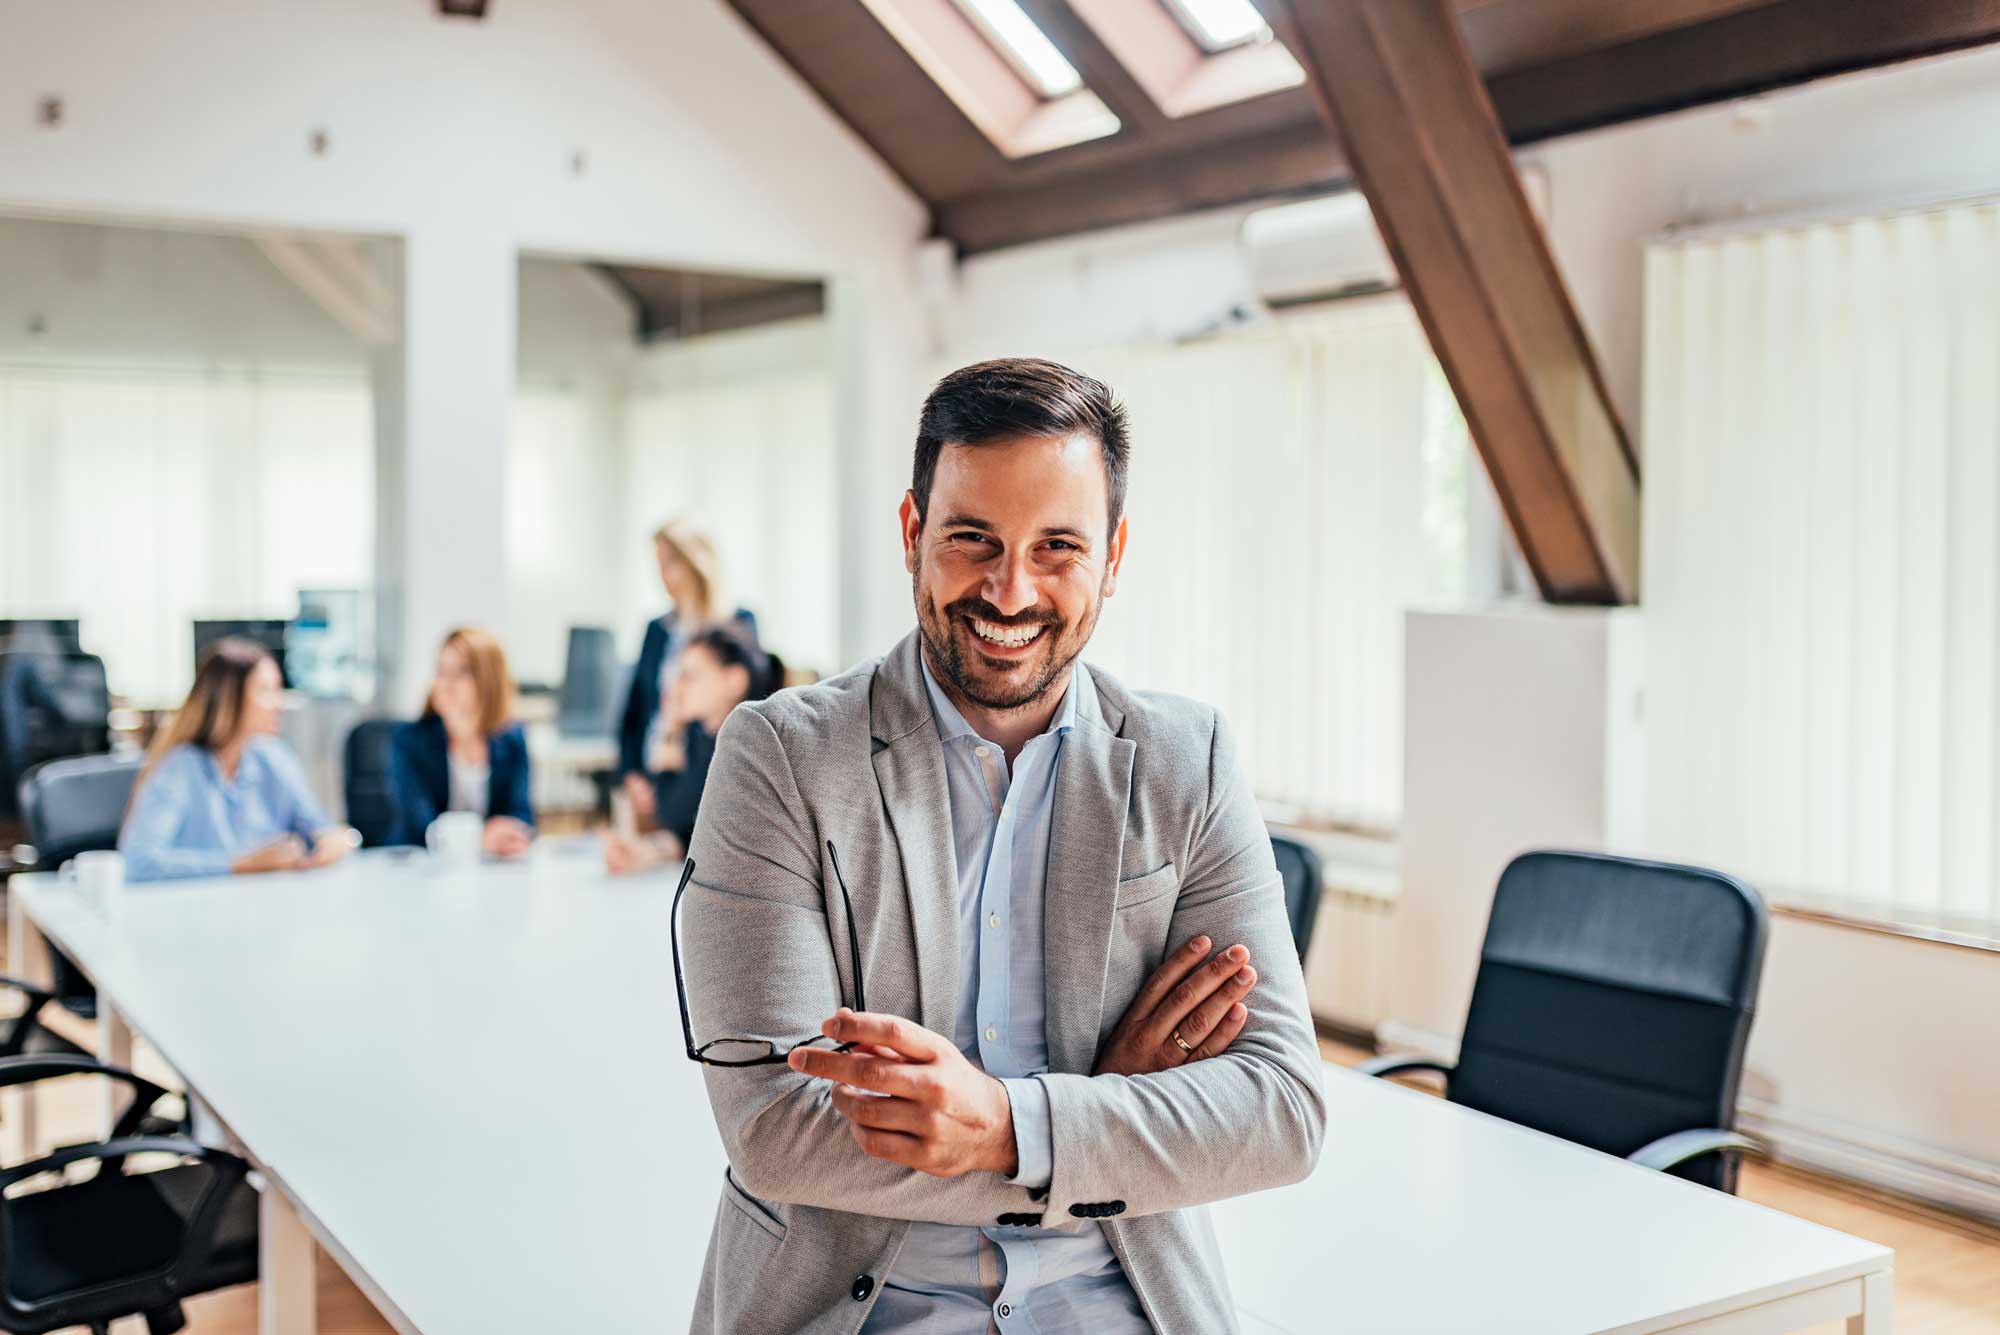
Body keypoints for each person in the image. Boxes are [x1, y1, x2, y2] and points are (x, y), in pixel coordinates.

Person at [680, 359, 1325, 1334]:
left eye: (1055, 547)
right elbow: (777, 1132)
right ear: (912, 535)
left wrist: (1005, 1126)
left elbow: (1276, 1112)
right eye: (971, 540)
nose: (1009, 591)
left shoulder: (1185, 761)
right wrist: (1102, 1115)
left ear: (1111, 555)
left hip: (1124, 1304)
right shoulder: (782, 757)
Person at [120, 637, 356, 882]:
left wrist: (338, 840)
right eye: (266, 690)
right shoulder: (181, 767)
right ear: (229, 699)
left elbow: (320, 829)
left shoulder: (274, 756)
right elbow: (138, 863)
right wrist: (240, 865)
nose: (279, 703)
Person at [604, 624, 780, 874]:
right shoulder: (700, 739)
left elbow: (728, 840)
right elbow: (680, 820)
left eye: (689, 676)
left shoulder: (752, 748)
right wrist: (651, 851)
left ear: (735, 680)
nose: (674, 690)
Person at [615, 520, 757, 829]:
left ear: (697, 561)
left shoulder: (737, 625)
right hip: (655, 772)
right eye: (659, 565)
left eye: (671, 563)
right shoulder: (656, 630)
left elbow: (751, 706)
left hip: (706, 775)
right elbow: (635, 710)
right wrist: (633, 774)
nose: (664, 576)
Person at [387, 626, 535, 856]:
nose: (446, 683)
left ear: (489, 681)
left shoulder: (513, 739)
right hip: (423, 868)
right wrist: (480, 837)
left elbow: (522, 815)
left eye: (461, 672)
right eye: (441, 671)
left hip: (490, 868)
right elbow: (419, 824)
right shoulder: (409, 740)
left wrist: (512, 834)